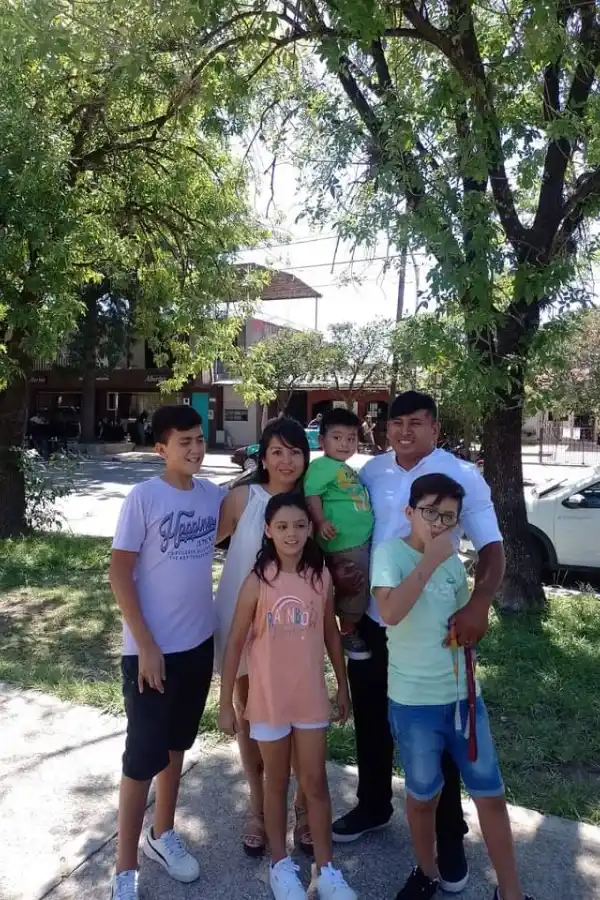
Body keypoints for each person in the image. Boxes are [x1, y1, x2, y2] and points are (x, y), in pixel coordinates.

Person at [332, 391, 506, 896]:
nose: (404, 431)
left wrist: (479, 604)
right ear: (385, 429)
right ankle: (373, 803)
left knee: (438, 733)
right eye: (396, 423)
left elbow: (492, 546)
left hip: (432, 629)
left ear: (435, 427)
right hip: (373, 615)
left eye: (416, 423)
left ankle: (448, 838)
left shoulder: (462, 477)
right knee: (372, 718)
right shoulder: (371, 472)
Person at [373, 473, 534, 900]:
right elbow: (390, 612)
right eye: (430, 513)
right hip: (413, 704)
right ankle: (426, 871)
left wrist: (466, 628)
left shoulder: (452, 563)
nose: (440, 524)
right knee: (423, 796)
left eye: (449, 517)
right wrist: (428, 559)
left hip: (464, 700)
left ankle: (511, 893)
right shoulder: (391, 554)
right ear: (409, 513)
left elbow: (462, 618)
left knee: (490, 795)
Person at [108, 405, 223, 900]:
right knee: (141, 758)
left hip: (198, 645)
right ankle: (124, 868)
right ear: (161, 448)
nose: (195, 449)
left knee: (176, 747)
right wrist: (148, 646)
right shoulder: (144, 497)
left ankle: (163, 833)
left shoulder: (212, 496)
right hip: (149, 653)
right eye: (184, 442)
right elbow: (119, 573)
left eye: (199, 440)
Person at [219, 493, 356, 900]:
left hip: (310, 699)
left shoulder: (320, 577)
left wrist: (341, 683)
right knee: (275, 783)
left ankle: (326, 871)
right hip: (268, 701)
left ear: (309, 528)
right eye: (282, 526)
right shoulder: (257, 581)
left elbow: (331, 633)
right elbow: (234, 644)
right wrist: (226, 702)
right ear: (268, 531)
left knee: (315, 784)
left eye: (299, 525)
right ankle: (281, 867)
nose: (291, 533)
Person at [215, 417, 313, 857]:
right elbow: (199, 545)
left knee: (296, 715)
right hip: (241, 622)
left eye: (295, 451)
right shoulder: (242, 498)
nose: (287, 460)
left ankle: (303, 809)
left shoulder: (316, 503)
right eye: (277, 450)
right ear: (263, 455)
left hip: (295, 632)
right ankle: (256, 807)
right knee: (250, 716)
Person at [304, 407, 374, 661]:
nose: (345, 443)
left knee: (360, 582)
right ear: (322, 441)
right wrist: (321, 521)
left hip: (358, 539)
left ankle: (351, 625)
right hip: (343, 542)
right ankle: (348, 632)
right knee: (354, 582)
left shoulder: (342, 467)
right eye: (337, 437)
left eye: (351, 438)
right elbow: (311, 494)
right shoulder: (322, 466)